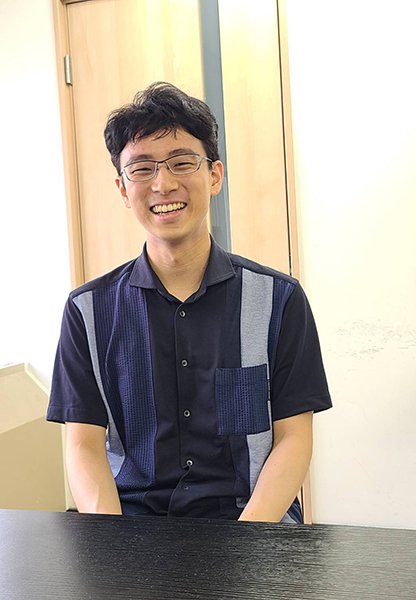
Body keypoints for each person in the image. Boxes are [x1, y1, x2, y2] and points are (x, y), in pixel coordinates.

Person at [47, 82, 332, 523]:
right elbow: (83, 444)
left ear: (214, 176)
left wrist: (247, 541)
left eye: (182, 163)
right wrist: (115, 544)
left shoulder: (279, 300)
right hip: (133, 526)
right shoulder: (87, 312)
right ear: (123, 189)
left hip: (250, 521)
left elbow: (294, 437)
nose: (164, 184)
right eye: (142, 169)